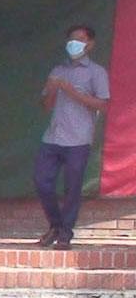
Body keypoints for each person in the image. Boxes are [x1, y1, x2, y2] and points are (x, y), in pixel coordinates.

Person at [34, 25, 110, 250]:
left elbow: (103, 104)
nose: (74, 43)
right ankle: (56, 225)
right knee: (42, 181)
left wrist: (72, 92)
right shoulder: (58, 69)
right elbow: (46, 106)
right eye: (71, 39)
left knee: (72, 188)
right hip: (53, 137)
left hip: (78, 139)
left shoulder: (97, 72)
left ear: (90, 44)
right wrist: (51, 91)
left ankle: (65, 233)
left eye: (80, 39)